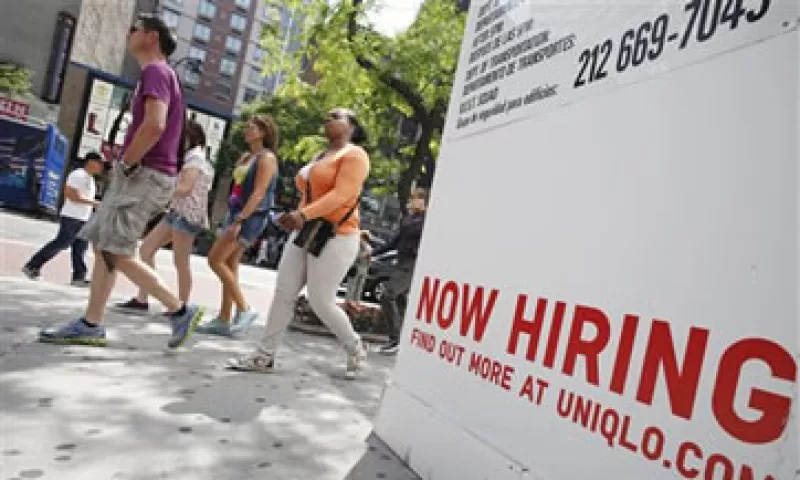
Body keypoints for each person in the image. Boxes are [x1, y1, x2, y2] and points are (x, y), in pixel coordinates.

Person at [38, 14, 203, 348]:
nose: (129, 34)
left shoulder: (156, 71)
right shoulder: (158, 74)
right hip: (144, 174)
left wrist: (127, 162)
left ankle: (179, 309)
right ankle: (91, 322)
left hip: (144, 175)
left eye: (134, 29)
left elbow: (155, 125)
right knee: (104, 246)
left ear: (152, 37)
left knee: (115, 248)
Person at [228, 108, 370, 379]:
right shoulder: (320, 155)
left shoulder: (355, 155)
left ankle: (355, 347)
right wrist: (296, 215)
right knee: (284, 293)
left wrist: (303, 214)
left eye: (336, 116)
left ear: (351, 126)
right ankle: (264, 355)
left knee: (321, 300)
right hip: (305, 231)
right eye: (326, 115)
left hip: (337, 236)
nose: (328, 118)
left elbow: (343, 194)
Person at [114, 119, 214, 312]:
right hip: (176, 213)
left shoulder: (196, 158)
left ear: (189, 137)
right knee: (146, 250)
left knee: (180, 262)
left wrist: (161, 190)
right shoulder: (189, 157)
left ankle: (181, 307)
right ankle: (143, 298)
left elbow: (185, 188)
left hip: (187, 216)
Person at [196, 115, 279, 337]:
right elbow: (238, 188)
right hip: (236, 213)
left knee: (215, 259)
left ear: (263, 132)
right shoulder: (246, 157)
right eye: (247, 127)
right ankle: (224, 318)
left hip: (250, 217)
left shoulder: (266, 158)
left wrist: (240, 219)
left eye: (252, 128)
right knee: (230, 265)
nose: (247, 130)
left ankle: (244, 308)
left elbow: (260, 192)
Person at [22, 152, 104, 286]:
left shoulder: (91, 179)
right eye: (99, 163)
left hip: (83, 218)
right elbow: (71, 195)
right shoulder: (78, 175)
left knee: (80, 248)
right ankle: (32, 266)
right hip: (71, 217)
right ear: (90, 161)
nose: (101, 166)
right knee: (62, 243)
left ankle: (79, 277)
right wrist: (95, 203)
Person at [376, 188, 428, 355]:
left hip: (413, 263)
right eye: (411, 198)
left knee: (388, 294)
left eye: (414, 198)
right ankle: (403, 339)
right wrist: (374, 253)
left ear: (423, 201)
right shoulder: (409, 219)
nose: (411, 201)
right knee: (399, 299)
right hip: (402, 262)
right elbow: (394, 242)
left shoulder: (427, 221)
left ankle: (396, 339)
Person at [344, 230, 373, 310]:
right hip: (364, 268)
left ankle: (349, 303)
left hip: (357, 267)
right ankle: (356, 303)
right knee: (359, 287)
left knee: (352, 286)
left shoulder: (359, 244)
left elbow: (356, 255)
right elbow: (369, 261)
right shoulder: (369, 247)